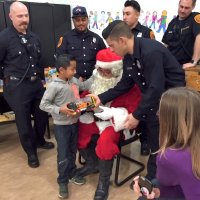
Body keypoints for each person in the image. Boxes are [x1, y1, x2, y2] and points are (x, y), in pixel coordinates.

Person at [91, 20, 185, 182]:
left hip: (172, 99)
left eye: (112, 45)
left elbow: (155, 88)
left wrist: (136, 115)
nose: (111, 50)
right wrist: (101, 97)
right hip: (155, 98)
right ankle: (157, 175)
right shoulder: (128, 56)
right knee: (154, 138)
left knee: (160, 141)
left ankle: (154, 179)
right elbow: (126, 84)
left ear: (122, 40)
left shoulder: (150, 52)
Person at [75, 48, 141, 200]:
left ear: (116, 70)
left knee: (105, 142)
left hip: (117, 124)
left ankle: (103, 183)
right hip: (94, 119)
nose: (102, 73)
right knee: (75, 131)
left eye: (106, 71)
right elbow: (85, 97)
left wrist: (112, 113)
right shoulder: (96, 78)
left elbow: (133, 112)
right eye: (100, 69)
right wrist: (82, 104)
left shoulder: (129, 84)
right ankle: (93, 164)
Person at [0, 2, 54, 168]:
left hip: (36, 84)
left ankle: (39, 140)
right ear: (11, 17)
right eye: (19, 16)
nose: (24, 19)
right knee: (23, 123)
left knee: (42, 115)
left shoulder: (34, 37)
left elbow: (38, 61)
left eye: (26, 15)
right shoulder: (3, 38)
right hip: (17, 88)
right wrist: (8, 80)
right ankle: (31, 152)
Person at [133, 87, 200, 200]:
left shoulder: (169, 157)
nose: (158, 114)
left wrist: (154, 194)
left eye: (161, 110)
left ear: (170, 120)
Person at [40, 54, 92, 199]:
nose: (75, 71)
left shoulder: (73, 80)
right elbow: (43, 104)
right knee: (63, 154)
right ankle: (62, 180)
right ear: (61, 70)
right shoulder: (54, 86)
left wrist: (96, 74)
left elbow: (84, 86)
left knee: (72, 151)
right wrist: (59, 109)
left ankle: (72, 173)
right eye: (72, 69)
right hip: (61, 126)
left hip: (75, 124)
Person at [123, 0, 156, 156]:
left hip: (146, 82)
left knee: (146, 112)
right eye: (123, 13)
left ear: (137, 14)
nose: (125, 17)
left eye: (128, 13)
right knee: (134, 111)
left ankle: (145, 142)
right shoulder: (121, 32)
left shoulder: (146, 32)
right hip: (131, 80)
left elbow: (152, 58)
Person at [56, 6, 106, 80]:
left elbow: (105, 57)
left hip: (94, 80)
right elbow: (59, 59)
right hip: (73, 80)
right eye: (77, 20)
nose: (81, 23)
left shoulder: (97, 38)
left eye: (83, 20)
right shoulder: (66, 38)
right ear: (73, 21)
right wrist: (75, 76)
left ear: (87, 20)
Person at [162, 0, 200, 69]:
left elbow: (199, 37)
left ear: (193, 7)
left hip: (186, 67)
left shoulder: (195, 18)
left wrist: (193, 62)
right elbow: (166, 45)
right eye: (181, 6)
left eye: (186, 8)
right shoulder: (172, 22)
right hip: (170, 65)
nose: (182, 10)